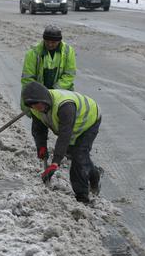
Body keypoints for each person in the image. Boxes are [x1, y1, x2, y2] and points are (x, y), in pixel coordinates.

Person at [22, 81, 102, 204]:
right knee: (77, 155)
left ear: (44, 99)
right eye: (33, 106)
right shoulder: (35, 109)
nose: (36, 109)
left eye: (37, 105)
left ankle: (82, 198)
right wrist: (41, 147)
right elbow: (39, 130)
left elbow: (65, 135)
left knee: (79, 157)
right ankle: (94, 175)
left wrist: (55, 162)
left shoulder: (65, 106)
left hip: (89, 121)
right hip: (71, 127)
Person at [21, 24, 76, 161]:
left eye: (54, 42)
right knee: (39, 123)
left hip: (61, 94)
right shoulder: (33, 53)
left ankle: (68, 152)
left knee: (65, 125)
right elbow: (28, 79)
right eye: (48, 41)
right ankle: (42, 149)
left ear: (59, 41)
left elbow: (69, 75)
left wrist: (53, 91)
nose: (51, 44)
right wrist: (31, 100)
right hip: (38, 97)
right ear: (44, 40)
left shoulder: (68, 51)